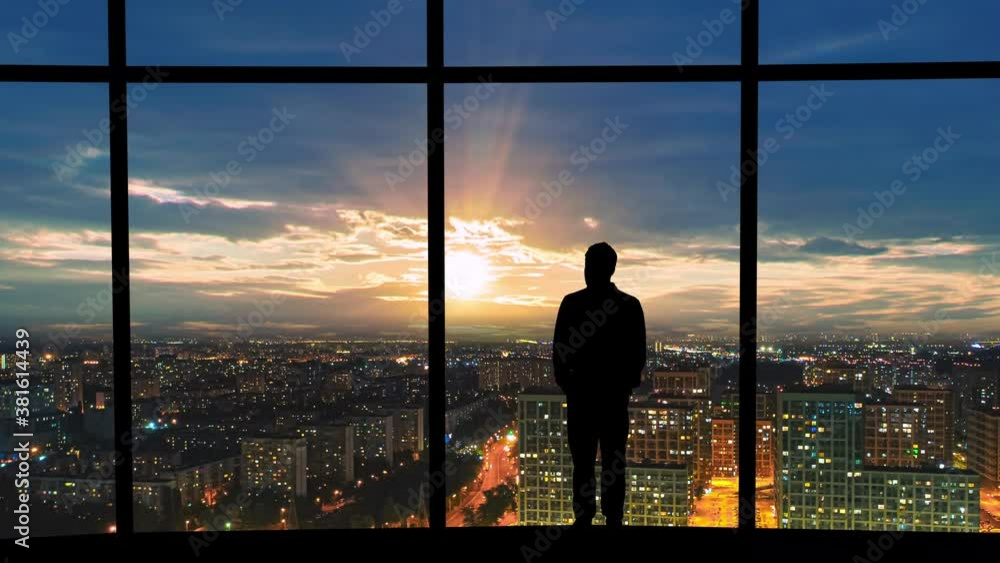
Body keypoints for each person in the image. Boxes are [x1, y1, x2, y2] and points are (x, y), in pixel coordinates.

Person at [552, 242, 646, 527]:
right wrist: (621, 387)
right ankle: (611, 518)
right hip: (612, 401)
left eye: (591, 265)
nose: (588, 271)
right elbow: (637, 356)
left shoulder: (572, 304)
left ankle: (587, 517)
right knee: (611, 463)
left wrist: (572, 387)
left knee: (585, 463)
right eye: (588, 265)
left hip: (585, 400)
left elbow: (559, 354)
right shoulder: (629, 306)